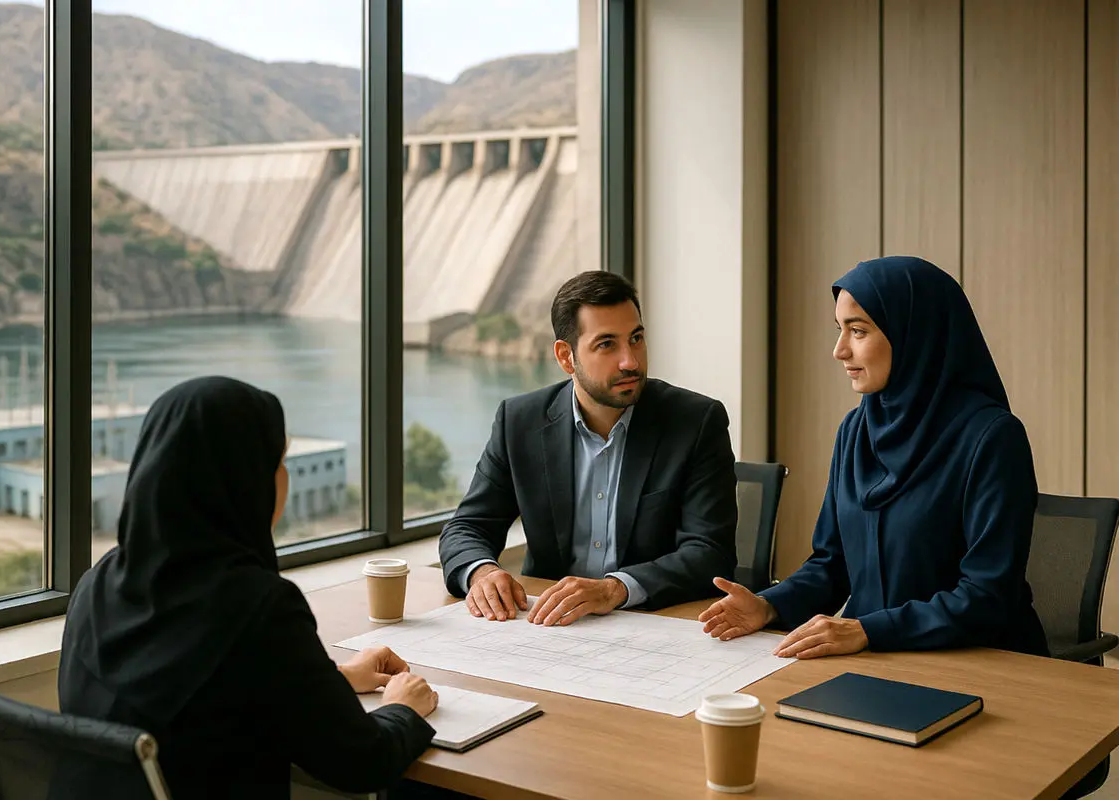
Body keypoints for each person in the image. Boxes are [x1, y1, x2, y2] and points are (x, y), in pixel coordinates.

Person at [58, 376, 439, 799]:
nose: (284, 479)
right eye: (278, 463)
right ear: (244, 480)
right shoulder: (257, 609)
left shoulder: (98, 583)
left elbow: (203, 700)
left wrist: (337, 680)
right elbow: (364, 763)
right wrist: (403, 709)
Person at [698, 256, 1049, 659]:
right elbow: (831, 565)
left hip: (982, 662)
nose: (839, 350)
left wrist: (869, 629)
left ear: (914, 334)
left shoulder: (992, 438)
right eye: (839, 330)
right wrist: (769, 605)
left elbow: (987, 596)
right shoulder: (856, 431)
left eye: (858, 331)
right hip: (875, 658)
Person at [439, 270, 739, 625]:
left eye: (636, 338)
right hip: (549, 626)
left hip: (655, 624)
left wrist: (614, 589)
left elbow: (709, 552)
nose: (630, 361)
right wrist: (482, 573)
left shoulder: (695, 422)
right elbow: (468, 526)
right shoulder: (520, 421)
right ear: (566, 357)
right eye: (607, 344)